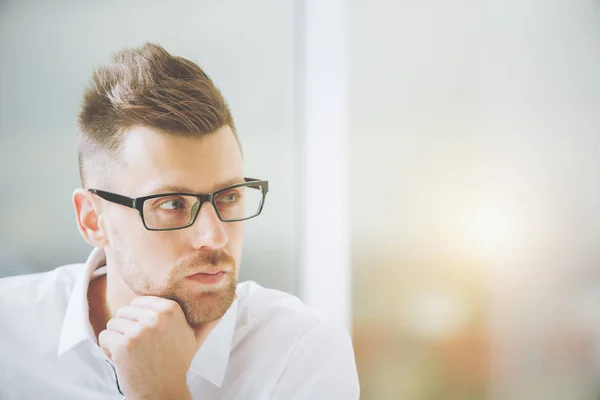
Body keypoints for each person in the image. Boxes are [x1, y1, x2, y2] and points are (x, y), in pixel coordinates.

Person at [0, 43, 359, 400]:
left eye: (229, 197)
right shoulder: (10, 334)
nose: (214, 236)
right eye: (173, 203)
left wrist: (161, 392)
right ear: (93, 220)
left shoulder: (300, 353)